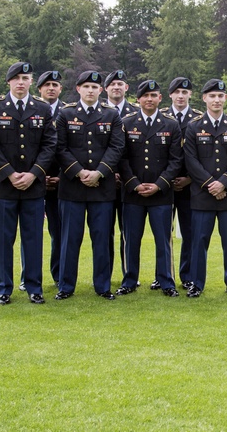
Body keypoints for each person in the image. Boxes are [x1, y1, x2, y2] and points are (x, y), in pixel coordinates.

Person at [0, 62, 57, 305]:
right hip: (5, 186)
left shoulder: (42, 109)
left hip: (33, 186)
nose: (21, 82)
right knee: (4, 240)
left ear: (31, 81)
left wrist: (34, 173)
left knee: (33, 238)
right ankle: (4, 288)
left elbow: (49, 144)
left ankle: (34, 287)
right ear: (9, 82)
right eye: (16, 78)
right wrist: (10, 173)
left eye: (25, 78)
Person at [54, 70, 124, 301]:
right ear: (78, 89)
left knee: (102, 238)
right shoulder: (66, 114)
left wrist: (100, 172)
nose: (91, 90)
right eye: (86, 87)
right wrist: (79, 171)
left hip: (102, 188)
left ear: (100, 91)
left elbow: (116, 148)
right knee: (69, 239)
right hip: (73, 188)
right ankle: (65, 286)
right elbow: (60, 148)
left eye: (95, 87)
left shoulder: (112, 115)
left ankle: (103, 286)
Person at [182, 79, 227, 298]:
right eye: (212, 96)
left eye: (220, 96)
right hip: (202, 195)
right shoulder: (193, 126)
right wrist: (210, 184)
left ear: (225, 99)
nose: (216, 100)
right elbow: (190, 160)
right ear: (204, 99)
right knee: (199, 241)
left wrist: (224, 182)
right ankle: (196, 283)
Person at [117, 80, 183, 297]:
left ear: (160, 98)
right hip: (133, 193)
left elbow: (175, 160)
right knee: (131, 239)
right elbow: (122, 158)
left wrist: (159, 185)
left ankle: (166, 281)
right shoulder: (126, 123)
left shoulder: (171, 125)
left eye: (153, 95)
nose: (149, 99)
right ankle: (129, 280)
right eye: (145, 96)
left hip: (161, 194)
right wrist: (134, 184)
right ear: (138, 99)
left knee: (163, 240)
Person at [159, 77, 202, 289]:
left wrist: (190, 179)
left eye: (185, 92)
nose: (181, 96)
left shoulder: (199, 119)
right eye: (177, 92)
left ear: (190, 95)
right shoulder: (160, 118)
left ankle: (187, 276)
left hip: (189, 186)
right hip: (164, 185)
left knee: (189, 233)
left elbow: (204, 156)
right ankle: (163, 276)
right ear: (170, 95)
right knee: (162, 234)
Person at [31, 70, 64, 289]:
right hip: (33, 181)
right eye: (47, 84)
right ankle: (29, 277)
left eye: (55, 84)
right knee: (30, 232)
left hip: (61, 183)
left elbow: (70, 148)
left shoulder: (69, 112)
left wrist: (61, 176)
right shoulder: (30, 110)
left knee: (59, 232)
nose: (51, 88)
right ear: (40, 89)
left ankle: (59, 275)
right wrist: (38, 175)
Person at [102, 69, 136, 279]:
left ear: (126, 88)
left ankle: (128, 274)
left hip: (128, 182)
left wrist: (125, 176)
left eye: (120, 83)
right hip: (103, 181)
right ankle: (105, 274)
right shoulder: (100, 111)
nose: (117, 86)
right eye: (112, 83)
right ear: (106, 89)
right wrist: (108, 172)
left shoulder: (134, 112)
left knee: (128, 232)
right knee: (105, 232)